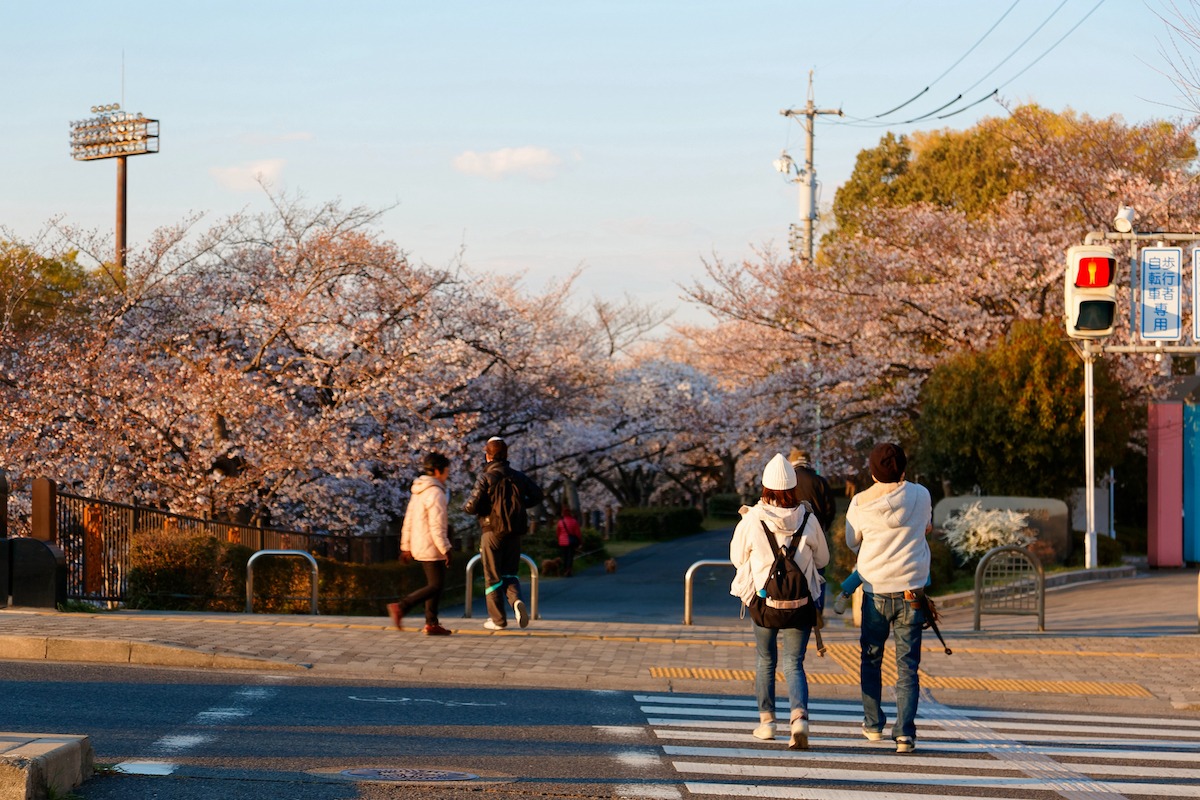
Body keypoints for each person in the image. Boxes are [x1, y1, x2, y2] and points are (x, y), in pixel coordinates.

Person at [729, 453, 829, 750]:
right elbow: (823, 558)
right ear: (794, 487)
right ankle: (799, 719)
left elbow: (736, 558)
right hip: (800, 604)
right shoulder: (808, 519)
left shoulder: (752, 519)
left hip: (764, 603)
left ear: (765, 488)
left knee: (765, 660)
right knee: (794, 663)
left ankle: (767, 722)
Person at [844, 442, 932, 754]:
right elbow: (927, 527)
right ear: (903, 468)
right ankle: (905, 734)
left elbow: (851, 541)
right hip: (911, 591)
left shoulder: (859, 502)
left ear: (872, 471)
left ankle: (872, 724)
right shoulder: (921, 495)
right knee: (907, 666)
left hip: (874, 591)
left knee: (871, 658)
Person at [463, 436, 544, 629]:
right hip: (514, 532)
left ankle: (498, 620)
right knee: (510, 573)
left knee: (492, 576)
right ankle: (516, 602)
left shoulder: (486, 477)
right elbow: (538, 495)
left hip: (491, 532)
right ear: (506, 455)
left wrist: (484, 508)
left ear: (488, 456)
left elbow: (470, 506)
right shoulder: (519, 476)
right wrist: (520, 504)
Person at [388, 452, 454, 636]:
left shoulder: (418, 491)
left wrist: (406, 547)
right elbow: (437, 525)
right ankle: (402, 606)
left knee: (436, 584)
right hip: (431, 545)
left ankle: (431, 623)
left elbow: (408, 520)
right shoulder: (436, 493)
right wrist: (446, 548)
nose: (447, 474)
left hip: (420, 543)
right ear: (437, 471)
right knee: (435, 585)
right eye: (446, 470)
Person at [555, 504, 582, 577]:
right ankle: (568, 570)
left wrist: (559, 539)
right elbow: (578, 533)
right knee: (570, 556)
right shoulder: (574, 521)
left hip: (562, 542)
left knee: (564, 556)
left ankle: (564, 570)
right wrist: (580, 541)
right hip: (571, 541)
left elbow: (558, 532)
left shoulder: (560, 522)